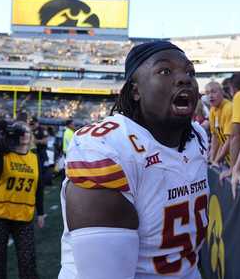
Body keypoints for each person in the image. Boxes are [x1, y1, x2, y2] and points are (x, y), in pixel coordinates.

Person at [58, 41, 209, 279]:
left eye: (190, 72)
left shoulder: (197, 136)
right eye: (165, 71)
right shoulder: (108, 148)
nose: (184, 79)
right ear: (135, 90)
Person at [0, 121, 45, 279]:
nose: (25, 134)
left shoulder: (35, 158)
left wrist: (41, 213)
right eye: (21, 131)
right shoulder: (3, 154)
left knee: (28, 259)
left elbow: (38, 187)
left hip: (24, 215)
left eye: (27, 131)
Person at [205, 81, 232, 166]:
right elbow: (215, 137)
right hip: (228, 158)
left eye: (213, 92)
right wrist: (212, 159)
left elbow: (230, 140)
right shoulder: (213, 110)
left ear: (222, 92)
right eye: (207, 93)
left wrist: (217, 160)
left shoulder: (229, 108)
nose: (210, 96)